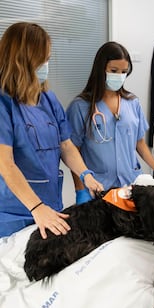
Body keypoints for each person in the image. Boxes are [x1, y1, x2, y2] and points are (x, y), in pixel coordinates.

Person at [0, 22, 104, 239]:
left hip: (50, 207)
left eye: (47, 59)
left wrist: (85, 175)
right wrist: (36, 207)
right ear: (22, 60)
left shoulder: (48, 99)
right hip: (13, 212)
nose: (46, 66)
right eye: (42, 60)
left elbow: (65, 145)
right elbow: (5, 163)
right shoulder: (4, 104)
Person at [66, 41, 154, 204]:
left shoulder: (132, 103)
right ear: (100, 69)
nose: (119, 76)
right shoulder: (80, 107)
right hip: (98, 189)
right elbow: (72, 151)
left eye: (124, 72)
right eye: (114, 71)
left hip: (130, 185)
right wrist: (80, 190)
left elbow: (139, 142)